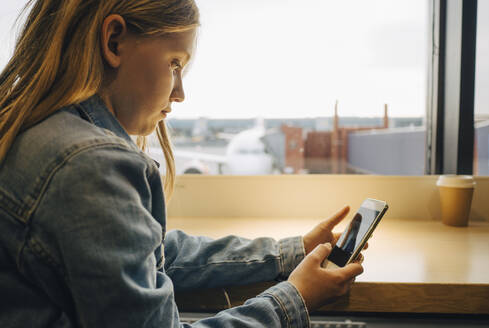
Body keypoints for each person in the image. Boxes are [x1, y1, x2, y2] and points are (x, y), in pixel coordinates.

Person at [0, 1, 364, 327]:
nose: (180, 92)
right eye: (174, 63)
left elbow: (151, 252)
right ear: (113, 41)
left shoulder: (36, 129)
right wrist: (295, 298)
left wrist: (289, 252)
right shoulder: (89, 164)